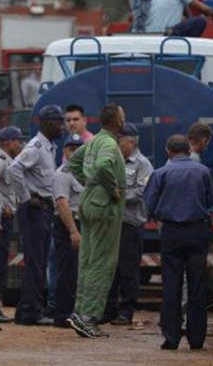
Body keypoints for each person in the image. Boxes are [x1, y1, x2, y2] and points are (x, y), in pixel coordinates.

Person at [144, 135, 213, 350]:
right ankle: (197, 339)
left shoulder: (161, 173)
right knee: (197, 285)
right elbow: (210, 200)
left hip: (172, 232)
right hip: (197, 230)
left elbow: (149, 204)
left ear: (169, 152)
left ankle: (171, 337)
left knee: (171, 285)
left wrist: (160, 215)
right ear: (188, 150)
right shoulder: (203, 172)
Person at [67, 104, 126, 339]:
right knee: (102, 262)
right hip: (104, 208)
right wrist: (110, 189)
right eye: (122, 116)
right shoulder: (109, 143)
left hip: (88, 202)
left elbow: (73, 162)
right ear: (117, 121)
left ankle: (79, 311)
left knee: (87, 260)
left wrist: (89, 184)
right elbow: (102, 166)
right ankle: (89, 317)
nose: (124, 119)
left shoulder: (94, 141)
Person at [8, 104, 65, 325]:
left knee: (39, 261)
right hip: (34, 209)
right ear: (48, 124)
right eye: (59, 122)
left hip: (43, 208)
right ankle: (31, 312)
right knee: (35, 262)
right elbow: (14, 168)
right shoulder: (36, 147)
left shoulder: (49, 147)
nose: (62, 127)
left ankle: (25, 310)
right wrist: (26, 197)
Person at [104, 123, 153, 326]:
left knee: (128, 270)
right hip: (111, 224)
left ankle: (126, 311)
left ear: (131, 143)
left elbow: (141, 192)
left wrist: (116, 195)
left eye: (120, 141)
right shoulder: (113, 161)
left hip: (129, 225)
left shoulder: (143, 165)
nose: (116, 145)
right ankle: (109, 309)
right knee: (110, 269)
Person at [0, 126, 25, 324]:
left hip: (6, 220)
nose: (21, 145)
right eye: (18, 141)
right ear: (9, 143)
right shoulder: (0, 161)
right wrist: (0, 208)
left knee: (0, 265)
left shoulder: (8, 161)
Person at [51, 134, 85, 328]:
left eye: (79, 149)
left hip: (82, 225)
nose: (75, 152)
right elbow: (62, 204)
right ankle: (63, 314)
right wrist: (73, 231)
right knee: (68, 272)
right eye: (72, 149)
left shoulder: (84, 173)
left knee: (79, 272)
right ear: (64, 152)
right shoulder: (63, 174)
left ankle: (76, 312)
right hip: (68, 225)